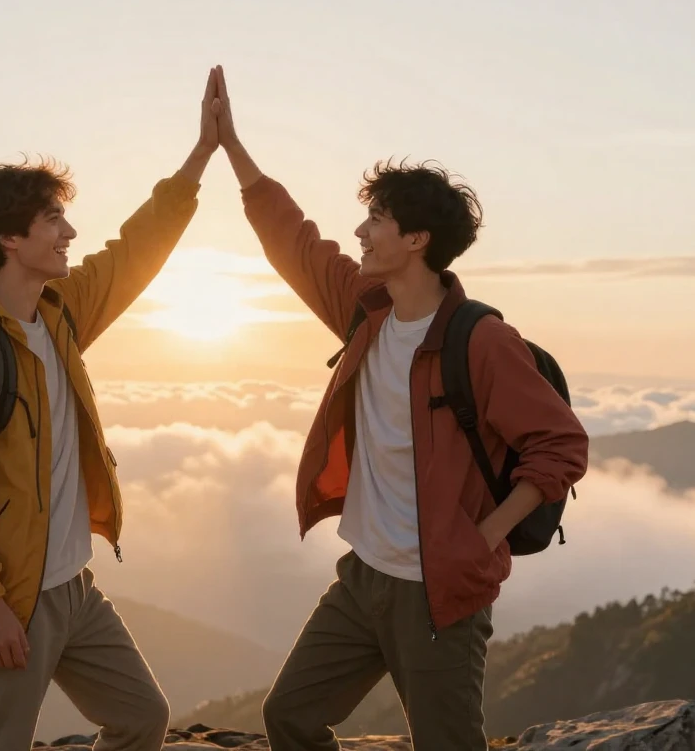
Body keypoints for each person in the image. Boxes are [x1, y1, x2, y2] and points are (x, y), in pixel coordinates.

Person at [208, 66, 590, 749]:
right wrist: (232, 147)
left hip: (439, 591)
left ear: (416, 240)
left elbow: (561, 446)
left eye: (377, 220)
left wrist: (482, 538)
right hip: (363, 578)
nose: (360, 230)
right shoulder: (366, 310)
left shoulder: (482, 341)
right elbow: (294, 241)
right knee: (290, 715)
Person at [0, 68, 222, 751]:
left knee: (141, 718)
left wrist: (199, 157)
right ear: (10, 240)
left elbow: (133, 252)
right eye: (52, 220)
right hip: (10, 596)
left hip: (76, 589)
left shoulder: (60, 314)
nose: (69, 231)